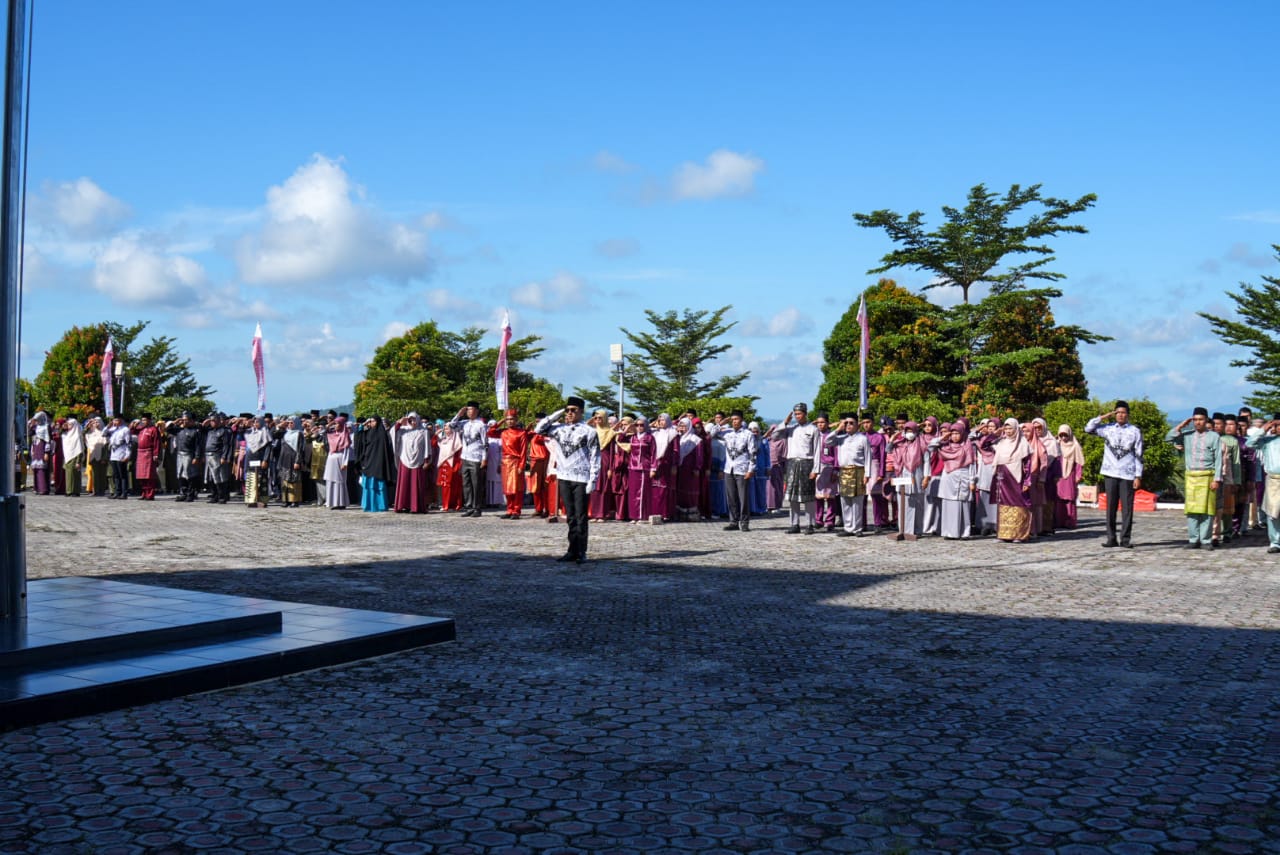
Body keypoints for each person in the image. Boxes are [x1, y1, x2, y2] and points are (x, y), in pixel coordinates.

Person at [535, 396, 601, 564]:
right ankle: (572, 550)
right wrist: (558, 413)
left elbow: (595, 457)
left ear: (581, 412)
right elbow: (539, 429)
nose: (570, 413)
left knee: (580, 516)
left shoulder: (589, 431)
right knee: (570, 516)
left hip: (581, 478)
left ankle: (581, 551)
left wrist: (593, 479)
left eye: (574, 410)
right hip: (564, 476)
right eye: (568, 410)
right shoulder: (558, 429)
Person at [1086, 401, 1143, 548]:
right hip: (1110, 472)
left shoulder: (1135, 431)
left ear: (1128, 415)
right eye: (1117, 412)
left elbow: (1138, 454)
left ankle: (1125, 539)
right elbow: (1088, 428)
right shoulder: (1107, 428)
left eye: (1123, 412)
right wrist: (1103, 417)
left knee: (1127, 508)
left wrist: (1138, 475)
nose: (1120, 415)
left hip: (1127, 474)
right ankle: (1111, 538)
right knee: (1110, 507)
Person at [1166, 407, 1222, 549]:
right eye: (1195, 420)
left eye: (1200, 419)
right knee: (1192, 510)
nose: (1198, 422)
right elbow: (1168, 438)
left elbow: (1218, 460)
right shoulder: (1187, 435)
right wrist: (1181, 425)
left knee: (1207, 511)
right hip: (1191, 476)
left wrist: (1216, 479)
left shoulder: (1214, 437)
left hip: (1207, 476)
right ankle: (1193, 539)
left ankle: (1206, 540)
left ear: (1206, 420)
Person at [772, 403, 821, 534]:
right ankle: (795, 524)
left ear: (805, 413)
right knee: (792, 496)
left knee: (808, 497)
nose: (797, 416)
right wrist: (785, 422)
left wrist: (815, 470)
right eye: (795, 414)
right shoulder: (790, 429)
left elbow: (817, 451)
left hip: (807, 463)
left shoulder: (813, 429)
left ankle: (810, 524)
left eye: (799, 414)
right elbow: (774, 436)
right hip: (792, 463)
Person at [825, 412, 870, 537]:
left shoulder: (862, 439)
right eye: (847, 423)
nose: (849, 425)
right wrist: (838, 428)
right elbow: (827, 441)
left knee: (857, 501)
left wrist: (868, 474)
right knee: (845, 500)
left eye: (851, 423)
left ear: (857, 424)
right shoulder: (841, 438)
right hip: (844, 471)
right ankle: (848, 527)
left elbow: (868, 458)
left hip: (858, 471)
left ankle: (858, 527)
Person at [933, 421, 976, 540]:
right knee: (948, 505)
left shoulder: (967, 446)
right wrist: (943, 437)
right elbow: (931, 446)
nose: (955, 436)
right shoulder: (945, 446)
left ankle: (964, 532)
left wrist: (972, 481)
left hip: (963, 477)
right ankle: (949, 532)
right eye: (952, 433)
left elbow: (972, 465)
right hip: (948, 478)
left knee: (963, 505)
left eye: (957, 433)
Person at [993, 417, 1034, 543]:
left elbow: (1028, 465)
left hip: (1017, 478)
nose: (1008, 430)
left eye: (1010, 427)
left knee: (1019, 503)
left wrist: (1027, 481)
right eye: (1006, 427)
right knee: (1004, 505)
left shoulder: (1023, 444)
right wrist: (995, 434)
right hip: (1003, 478)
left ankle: (1019, 534)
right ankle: (1004, 534)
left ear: (1016, 428)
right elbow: (984, 444)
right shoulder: (1001, 443)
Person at [1245, 416, 1280, 553]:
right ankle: (1275, 542)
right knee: (1273, 513)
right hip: (1273, 480)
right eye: (1276, 425)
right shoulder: (1266, 441)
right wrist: (1263, 429)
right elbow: (1249, 443)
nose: (1278, 428)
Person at [489, 409, 532, 519]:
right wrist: (501, 421)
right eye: (507, 419)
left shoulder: (521, 433)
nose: (509, 421)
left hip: (516, 461)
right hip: (505, 462)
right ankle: (509, 509)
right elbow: (490, 432)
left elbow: (523, 451)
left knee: (517, 488)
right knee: (507, 488)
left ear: (516, 420)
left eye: (512, 419)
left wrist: (521, 466)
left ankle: (516, 511)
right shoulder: (503, 432)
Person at [888, 420, 928, 540]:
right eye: (907, 431)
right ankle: (903, 529)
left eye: (911, 431)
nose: (909, 433)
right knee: (902, 504)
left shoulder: (921, 444)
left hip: (916, 476)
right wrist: (893, 437)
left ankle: (916, 530)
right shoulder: (900, 444)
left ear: (916, 431)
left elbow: (926, 462)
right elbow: (888, 449)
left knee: (917, 505)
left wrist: (926, 477)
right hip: (902, 476)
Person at [450, 401, 489, 517]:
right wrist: (458, 414)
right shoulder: (464, 423)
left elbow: (485, 443)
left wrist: (484, 459)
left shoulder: (481, 425)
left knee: (476, 484)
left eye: (470, 409)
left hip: (476, 458)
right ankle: (469, 506)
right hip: (465, 457)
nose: (468, 412)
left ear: (476, 411)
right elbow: (451, 425)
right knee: (466, 484)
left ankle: (477, 507)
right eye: (467, 410)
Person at [720, 410, 757, 532]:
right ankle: (733, 521)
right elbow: (711, 434)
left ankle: (744, 521)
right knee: (731, 497)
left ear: (741, 420)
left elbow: (753, 452)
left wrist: (751, 469)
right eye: (733, 419)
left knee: (743, 497)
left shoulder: (748, 434)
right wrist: (720, 423)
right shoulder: (727, 433)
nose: (734, 421)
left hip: (742, 469)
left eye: (736, 419)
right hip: (729, 469)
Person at [391, 413, 431, 513]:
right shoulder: (404, 430)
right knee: (404, 483)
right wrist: (399, 423)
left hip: (418, 460)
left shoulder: (424, 431)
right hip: (404, 459)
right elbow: (393, 433)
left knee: (416, 484)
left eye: (414, 420)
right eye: (410, 420)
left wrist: (427, 460)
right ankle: (402, 505)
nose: (413, 422)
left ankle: (415, 507)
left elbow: (427, 446)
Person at [354, 416, 394, 512]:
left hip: (379, 462)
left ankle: (380, 505)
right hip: (368, 461)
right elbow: (358, 438)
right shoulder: (367, 433)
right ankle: (368, 505)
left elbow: (385, 450)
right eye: (370, 421)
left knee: (378, 484)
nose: (371, 423)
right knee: (368, 484)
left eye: (373, 421)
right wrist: (363, 425)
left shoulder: (382, 434)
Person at [625, 415, 656, 522]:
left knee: (642, 492)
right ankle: (634, 516)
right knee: (633, 493)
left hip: (644, 467)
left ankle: (642, 516)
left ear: (646, 425)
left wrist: (653, 468)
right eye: (637, 425)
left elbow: (653, 453)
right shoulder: (632, 437)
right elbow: (620, 439)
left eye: (641, 425)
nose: (639, 427)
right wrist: (627, 429)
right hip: (633, 467)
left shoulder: (650, 438)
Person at [1054, 424, 1085, 529]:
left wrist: (1078, 475)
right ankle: (1059, 522)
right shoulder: (1057, 445)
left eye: (1065, 435)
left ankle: (1070, 522)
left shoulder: (1075, 446)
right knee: (1058, 499)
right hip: (1059, 476)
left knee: (1069, 498)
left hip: (1070, 476)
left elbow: (1079, 462)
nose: (1063, 438)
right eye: (1061, 435)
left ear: (1070, 435)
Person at [278, 416, 308, 508]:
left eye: (292, 423)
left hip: (294, 459)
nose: (290, 425)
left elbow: (300, 449)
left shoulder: (299, 434)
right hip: (284, 459)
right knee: (284, 479)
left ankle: (294, 500)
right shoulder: (285, 433)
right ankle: (285, 500)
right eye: (289, 423)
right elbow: (276, 436)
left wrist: (297, 461)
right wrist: (280, 426)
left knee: (294, 479)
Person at [203, 413, 233, 504]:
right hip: (208, 455)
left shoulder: (224, 431)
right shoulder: (209, 431)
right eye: (211, 421)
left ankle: (222, 496)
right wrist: (207, 421)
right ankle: (214, 495)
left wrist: (224, 456)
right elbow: (201, 428)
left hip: (218, 455)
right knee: (211, 477)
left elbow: (226, 445)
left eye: (214, 420)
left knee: (220, 476)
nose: (212, 422)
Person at [243, 416, 272, 507]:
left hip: (261, 458)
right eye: (254, 422)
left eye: (258, 422)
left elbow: (268, 448)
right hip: (250, 458)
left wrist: (265, 460)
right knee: (251, 479)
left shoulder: (265, 432)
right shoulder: (250, 432)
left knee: (261, 480)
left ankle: (262, 500)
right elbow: (240, 433)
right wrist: (246, 424)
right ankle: (251, 500)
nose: (256, 424)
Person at [324, 416, 352, 509]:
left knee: (339, 481)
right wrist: (331, 423)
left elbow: (346, 451)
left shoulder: (345, 435)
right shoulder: (332, 434)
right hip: (331, 458)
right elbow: (325, 430)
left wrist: (345, 463)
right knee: (330, 481)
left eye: (337, 424)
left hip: (340, 459)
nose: (335, 425)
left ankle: (341, 503)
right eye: (334, 424)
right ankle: (332, 502)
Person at [435, 421, 463, 511]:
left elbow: (459, 453)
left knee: (454, 486)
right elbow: (433, 443)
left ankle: (454, 505)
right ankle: (445, 504)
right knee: (444, 485)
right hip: (443, 464)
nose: (445, 430)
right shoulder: (443, 439)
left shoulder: (456, 439)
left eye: (447, 428)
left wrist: (458, 466)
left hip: (453, 464)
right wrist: (436, 435)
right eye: (445, 428)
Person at [134, 414, 162, 501]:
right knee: (141, 476)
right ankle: (144, 493)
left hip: (148, 453)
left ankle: (150, 494)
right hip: (140, 453)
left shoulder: (153, 429)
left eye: (145, 420)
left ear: (149, 420)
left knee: (149, 475)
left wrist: (156, 454)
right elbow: (132, 431)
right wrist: (134, 425)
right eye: (142, 420)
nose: (143, 422)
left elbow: (157, 442)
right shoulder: (141, 429)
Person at [106, 416, 132, 500]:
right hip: (113, 454)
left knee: (123, 475)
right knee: (116, 475)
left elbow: (129, 443)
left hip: (121, 453)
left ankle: (124, 493)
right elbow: (104, 434)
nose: (115, 422)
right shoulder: (113, 429)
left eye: (116, 420)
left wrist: (127, 455)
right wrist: (108, 426)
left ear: (121, 420)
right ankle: (117, 492)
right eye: (114, 420)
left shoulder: (125, 430)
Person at [60, 417, 86, 497]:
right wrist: (63, 427)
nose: (68, 426)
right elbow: (60, 433)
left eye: (70, 424)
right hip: (68, 457)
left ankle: (75, 491)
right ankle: (69, 490)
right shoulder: (67, 434)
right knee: (68, 475)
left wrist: (78, 461)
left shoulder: (77, 436)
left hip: (75, 457)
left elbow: (80, 448)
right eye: (68, 424)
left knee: (75, 475)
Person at [28, 410, 51, 495]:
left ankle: (43, 488)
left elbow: (48, 440)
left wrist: (46, 452)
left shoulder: (46, 427)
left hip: (42, 446)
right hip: (36, 446)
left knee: (42, 468)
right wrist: (31, 425)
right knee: (36, 468)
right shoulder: (36, 427)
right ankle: (37, 488)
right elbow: (30, 434)